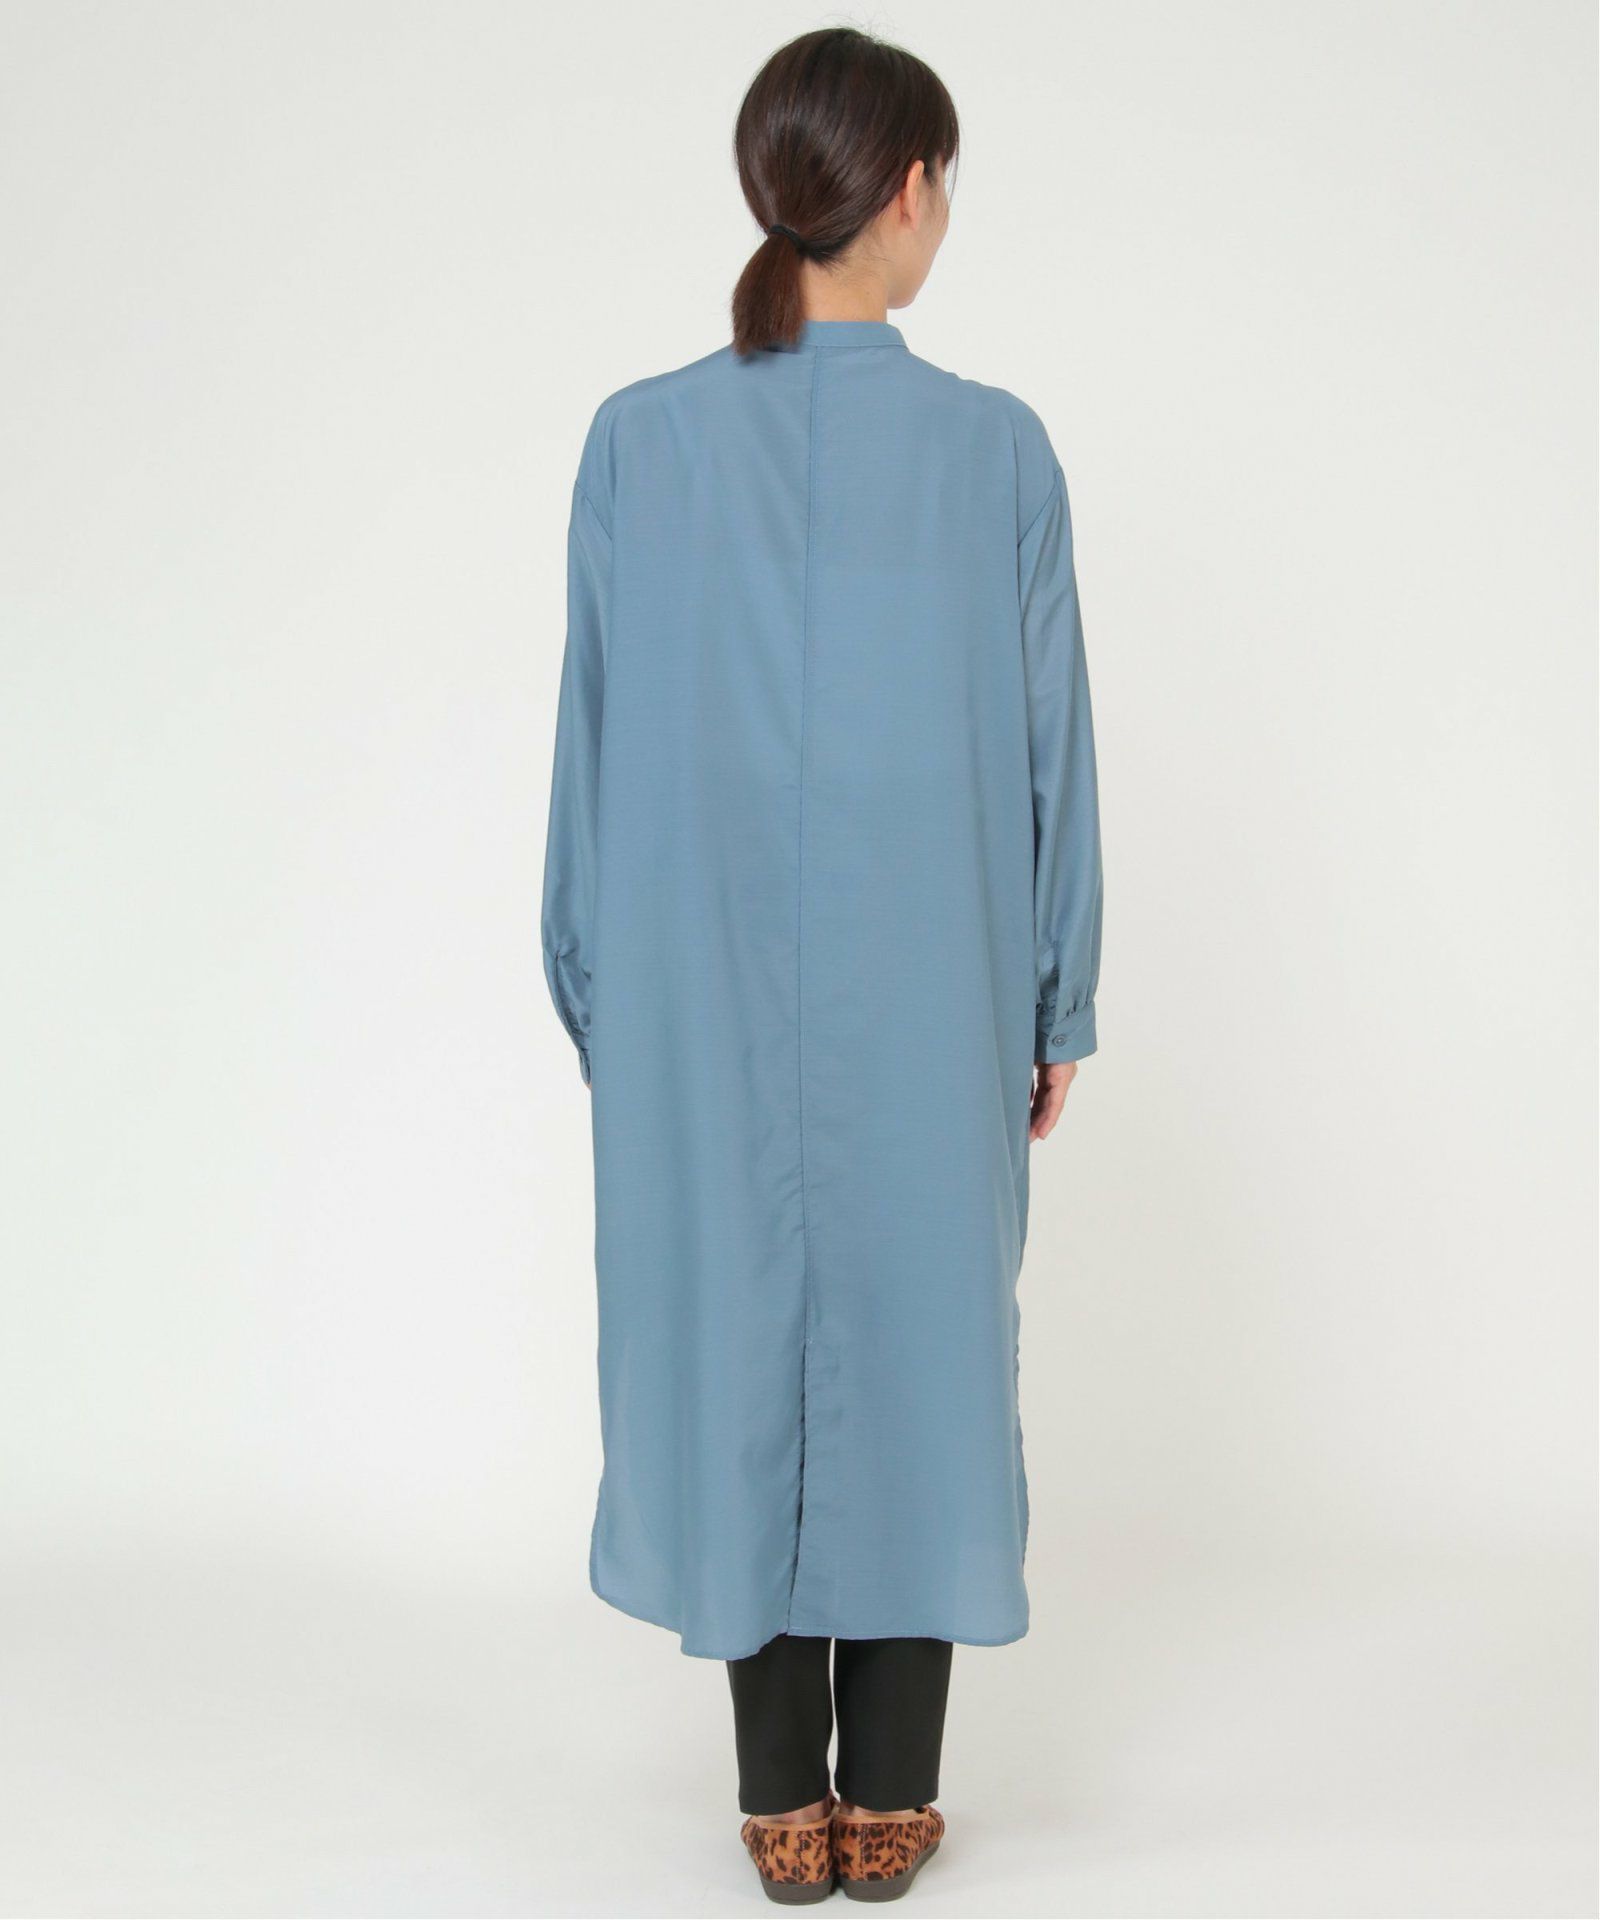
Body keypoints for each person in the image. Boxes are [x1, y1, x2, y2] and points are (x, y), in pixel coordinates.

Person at [542, 26, 1102, 1904]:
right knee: (926, 1335)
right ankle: (895, 1791)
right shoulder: (998, 450)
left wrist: (602, 991)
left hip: (689, 993)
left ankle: (781, 1792)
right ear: (913, 190)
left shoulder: (639, 440)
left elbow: (588, 749)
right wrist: (1056, 996)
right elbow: (1055, 753)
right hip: (940, 983)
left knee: (730, 1330)